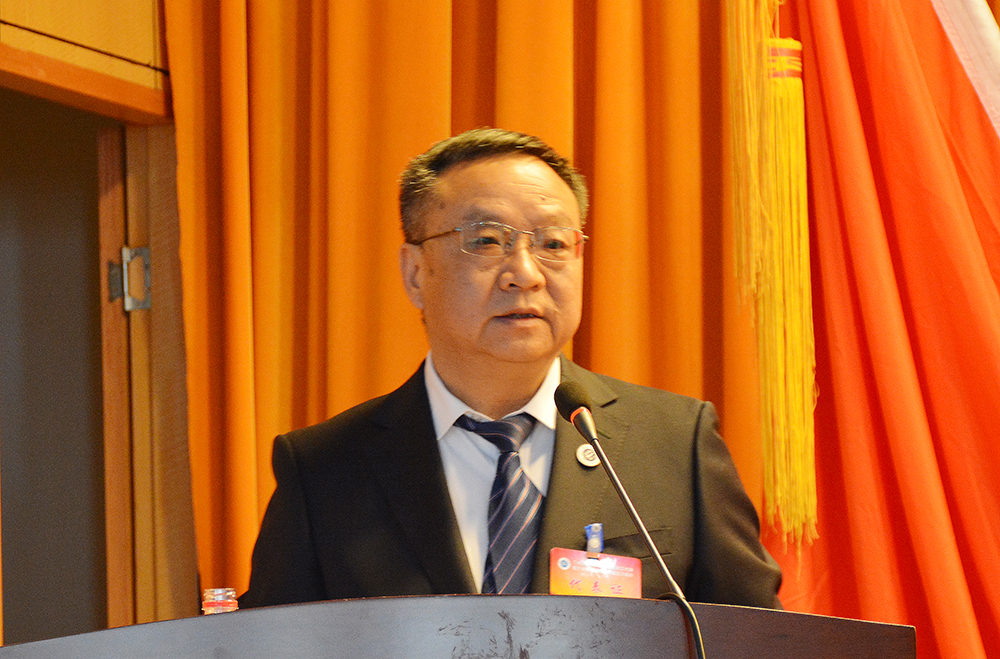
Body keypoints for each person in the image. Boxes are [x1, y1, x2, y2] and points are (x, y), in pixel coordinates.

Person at [238, 128, 782, 608]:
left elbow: (759, 640)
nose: (525, 273)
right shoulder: (325, 470)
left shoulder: (674, 445)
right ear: (415, 273)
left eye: (553, 243)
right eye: (486, 242)